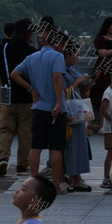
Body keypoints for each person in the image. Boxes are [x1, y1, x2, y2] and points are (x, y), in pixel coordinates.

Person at [10, 31, 70, 193]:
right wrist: (58, 103)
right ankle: (57, 184)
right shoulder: (57, 57)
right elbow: (57, 78)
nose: (64, 49)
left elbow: (14, 74)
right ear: (57, 43)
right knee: (56, 148)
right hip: (55, 110)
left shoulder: (32, 57)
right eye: (63, 45)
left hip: (38, 108)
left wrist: (30, 89)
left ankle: (33, 184)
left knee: (35, 146)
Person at [0, 19, 36, 177]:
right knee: (25, 132)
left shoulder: (4, 48)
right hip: (26, 97)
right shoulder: (32, 52)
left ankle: (3, 158)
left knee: (5, 129)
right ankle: (22, 164)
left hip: (8, 95)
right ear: (26, 34)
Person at [61, 46, 93, 192]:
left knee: (80, 144)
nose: (77, 59)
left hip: (78, 109)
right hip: (69, 111)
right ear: (67, 54)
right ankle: (72, 176)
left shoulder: (73, 68)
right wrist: (79, 81)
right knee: (71, 145)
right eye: (76, 55)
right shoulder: (61, 70)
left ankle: (78, 176)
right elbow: (64, 91)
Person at [89, 16, 112, 117]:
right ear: (107, 26)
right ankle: (99, 120)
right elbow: (103, 53)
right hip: (104, 70)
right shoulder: (100, 39)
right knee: (101, 94)